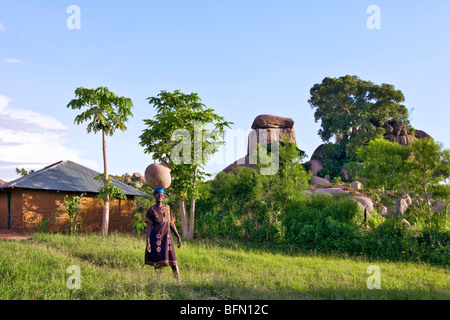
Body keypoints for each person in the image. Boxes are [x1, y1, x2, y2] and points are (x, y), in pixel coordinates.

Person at [144, 188, 182, 281]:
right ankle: (158, 281)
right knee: (157, 261)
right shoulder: (151, 210)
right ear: (154, 196)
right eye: (157, 194)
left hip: (167, 238)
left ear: (164, 196)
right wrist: (148, 242)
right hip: (156, 238)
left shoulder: (168, 208)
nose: (159, 196)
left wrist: (178, 237)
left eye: (161, 194)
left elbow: (172, 224)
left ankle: (178, 282)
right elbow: (149, 226)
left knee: (173, 260)